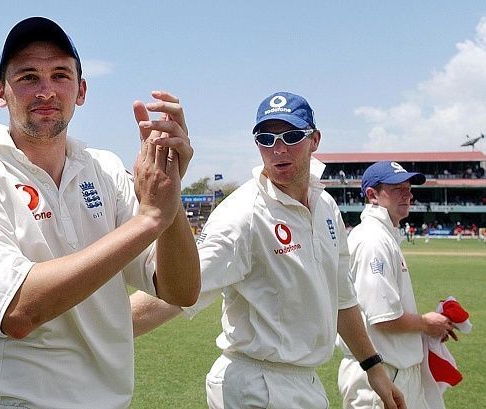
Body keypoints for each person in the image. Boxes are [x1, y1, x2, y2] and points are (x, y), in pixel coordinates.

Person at [0, 17, 200, 409]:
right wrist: (150, 218)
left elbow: (180, 290)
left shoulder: (104, 169)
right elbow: (19, 309)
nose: (46, 91)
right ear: (0, 92)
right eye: (28, 77)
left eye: (60, 75)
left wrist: (169, 197)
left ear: (81, 90)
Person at [131, 92, 406, 409]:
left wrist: (372, 366)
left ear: (314, 139)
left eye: (291, 136)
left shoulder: (326, 206)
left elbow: (341, 296)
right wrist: (91, 331)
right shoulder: (243, 215)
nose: (278, 149)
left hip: (306, 382)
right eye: (266, 138)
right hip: (255, 386)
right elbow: (174, 293)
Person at [337, 161, 456, 408]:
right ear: (372, 195)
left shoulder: (384, 236)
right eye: (397, 188)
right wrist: (426, 323)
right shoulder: (373, 240)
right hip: (381, 373)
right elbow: (384, 318)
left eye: (409, 187)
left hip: (396, 369)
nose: (408, 194)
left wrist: (426, 328)